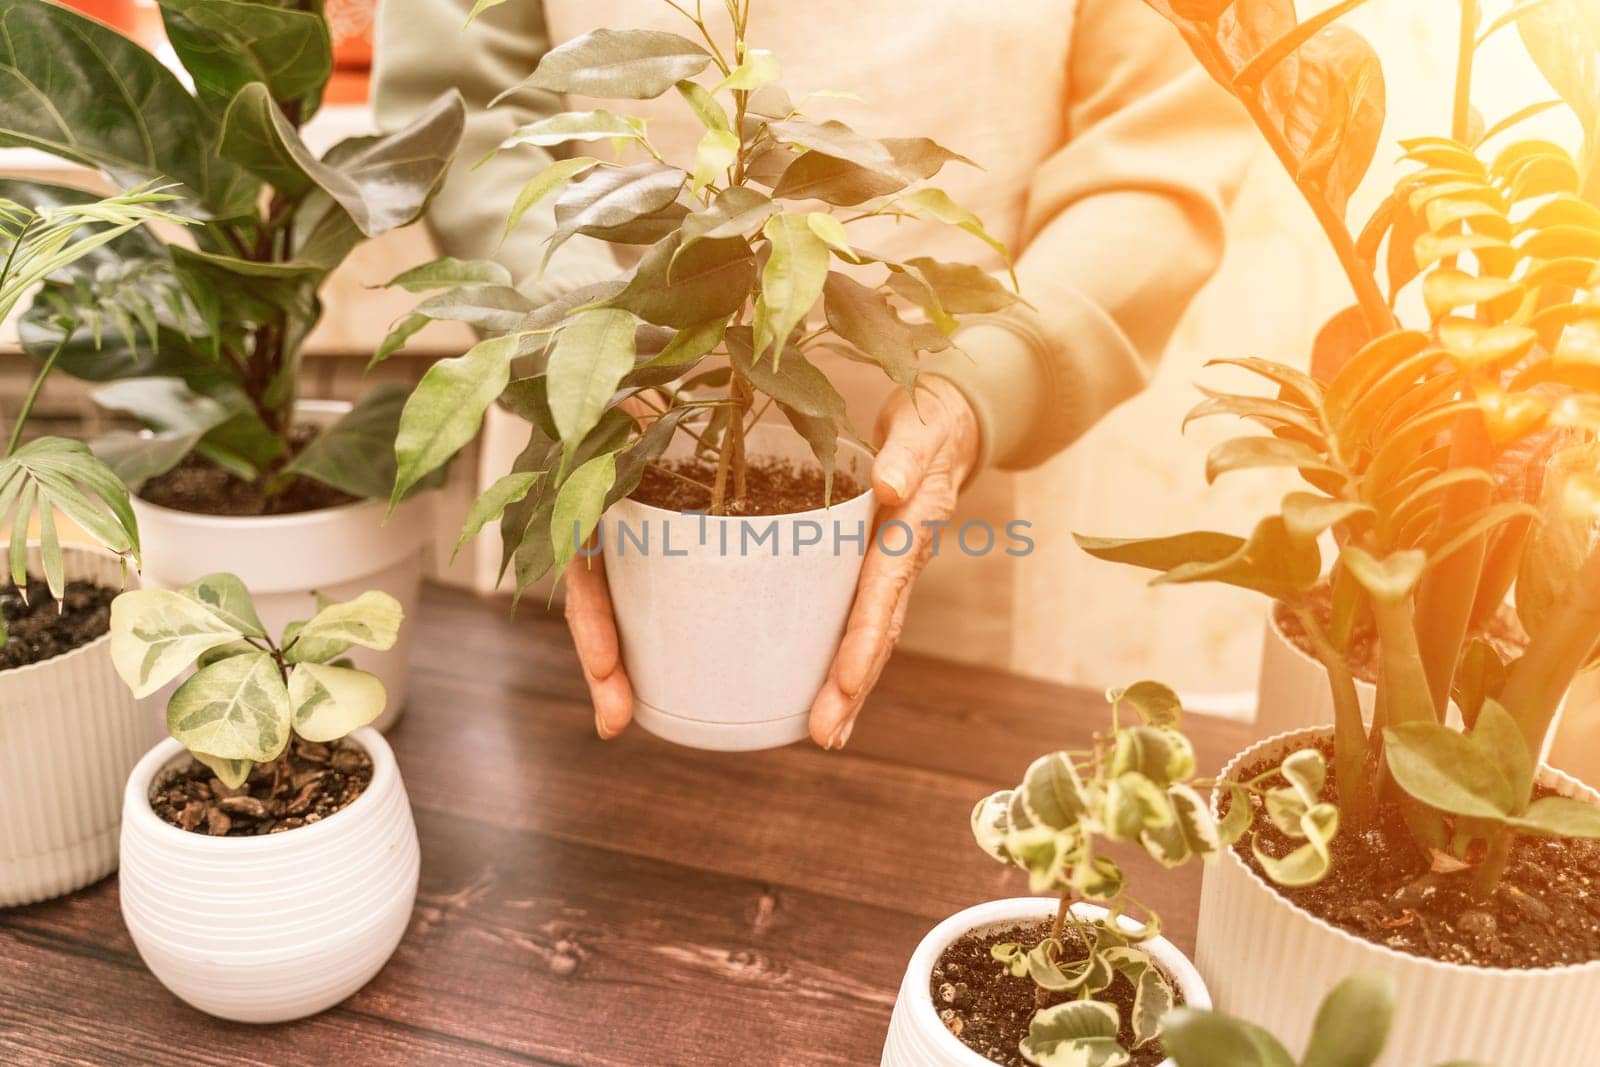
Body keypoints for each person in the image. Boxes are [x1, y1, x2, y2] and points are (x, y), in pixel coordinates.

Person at [373, 0, 1253, 749]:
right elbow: (462, 97)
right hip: (608, 432)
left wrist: (990, 379)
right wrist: (569, 320)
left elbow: (1162, 136)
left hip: (942, 450)